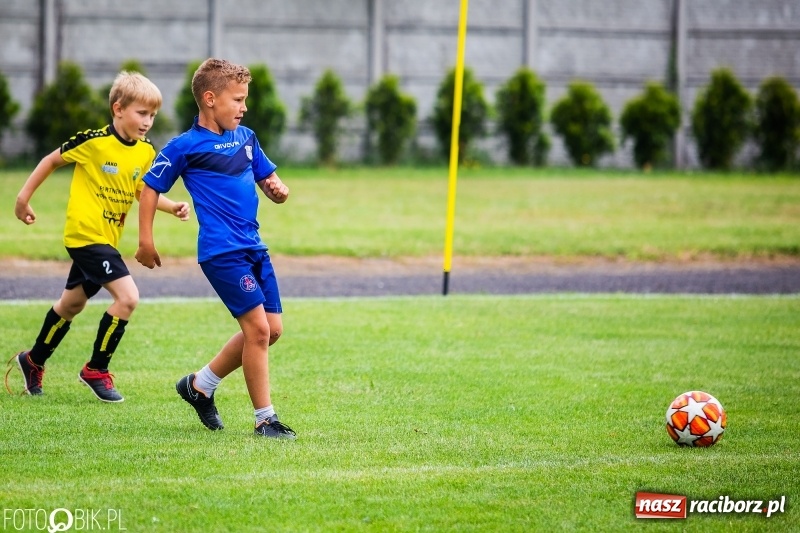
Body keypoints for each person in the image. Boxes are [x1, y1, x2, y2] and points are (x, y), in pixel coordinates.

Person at [135, 58, 296, 439]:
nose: (244, 107)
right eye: (237, 100)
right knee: (257, 330)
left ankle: (200, 385)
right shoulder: (185, 146)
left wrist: (278, 189)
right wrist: (146, 239)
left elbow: (269, 181)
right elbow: (150, 188)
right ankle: (265, 420)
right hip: (221, 251)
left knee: (271, 331)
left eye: (244, 100)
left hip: (254, 246)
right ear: (210, 99)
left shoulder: (247, 138)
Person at [10, 71, 190, 402]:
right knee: (128, 298)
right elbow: (51, 161)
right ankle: (96, 369)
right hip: (84, 236)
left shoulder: (145, 152)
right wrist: (23, 199)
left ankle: (32, 360)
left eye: (152, 115)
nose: (147, 121)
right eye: (141, 113)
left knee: (72, 304)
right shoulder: (93, 143)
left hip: (106, 240)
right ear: (118, 109)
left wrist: (172, 206)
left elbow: (140, 191)